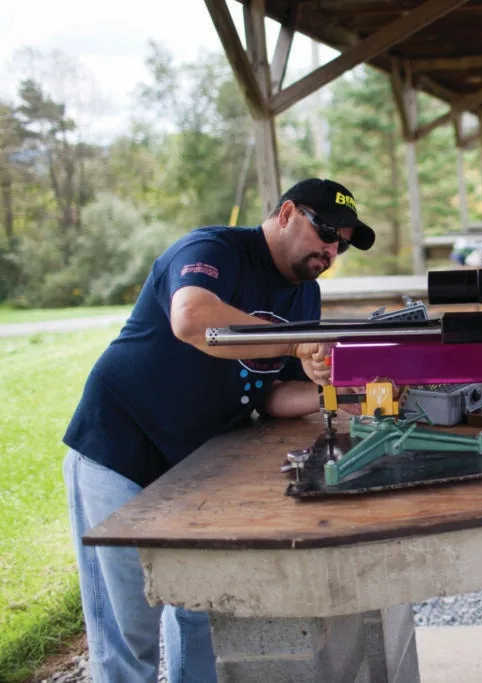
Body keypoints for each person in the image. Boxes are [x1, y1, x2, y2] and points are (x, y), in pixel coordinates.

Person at [62, 178, 375, 682]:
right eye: (326, 231)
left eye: (343, 241)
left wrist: (341, 392)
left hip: (196, 464)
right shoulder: (214, 249)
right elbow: (191, 319)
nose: (332, 248)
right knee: (129, 635)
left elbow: (275, 395)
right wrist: (296, 344)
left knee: (198, 611)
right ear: (287, 212)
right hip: (119, 448)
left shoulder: (305, 296)